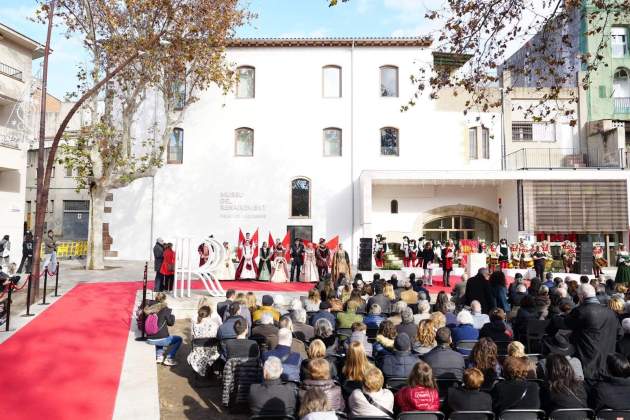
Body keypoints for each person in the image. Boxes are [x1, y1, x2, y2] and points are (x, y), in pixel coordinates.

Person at [565, 283, 622, 382]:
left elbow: (567, 323)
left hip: (588, 361)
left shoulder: (580, 311)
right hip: (606, 361)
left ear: (581, 296)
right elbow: (620, 333)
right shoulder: (610, 312)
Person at [144, 292, 181, 366]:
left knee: (160, 335)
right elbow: (171, 323)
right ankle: (169, 358)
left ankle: (159, 356)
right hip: (160, 339)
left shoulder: (149, 308)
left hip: (149, 339)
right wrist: (172, 316)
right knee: (179, 339)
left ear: (155, 298)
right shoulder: (165, 310)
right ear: (164, 299)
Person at [187, 305, 222, 375]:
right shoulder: (215, 325)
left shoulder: (194, 326)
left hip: (197, 353)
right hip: (213, 353)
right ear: (209, 314)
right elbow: (218, 338)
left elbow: (191, 339)